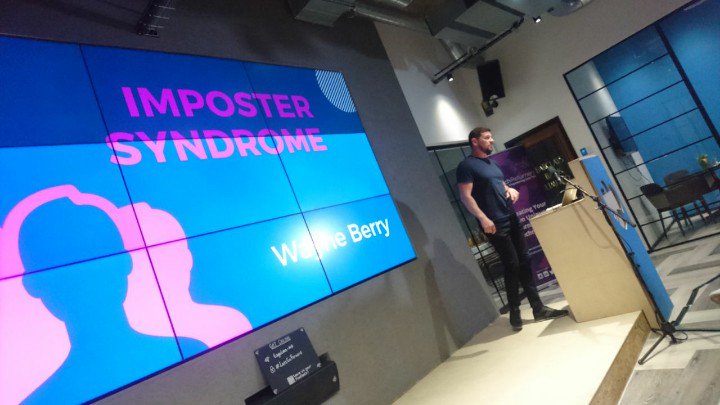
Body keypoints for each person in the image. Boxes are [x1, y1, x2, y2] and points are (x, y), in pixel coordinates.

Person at [456, 127, 568, 331]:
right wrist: (482, 218)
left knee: (524, 260)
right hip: (494, 222)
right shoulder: (466, 166)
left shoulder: (491, 164)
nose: (492, 140)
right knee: (512, 264)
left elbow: (499, 183)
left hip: (511, 217)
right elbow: (465, 196)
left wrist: (510, 189)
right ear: (475, 141)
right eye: (487, 137)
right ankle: (515, 312)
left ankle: (538, 308)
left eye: (491, 136)